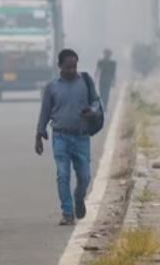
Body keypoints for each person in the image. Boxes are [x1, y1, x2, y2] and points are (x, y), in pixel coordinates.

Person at [35, 49, 102, 225]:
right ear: (60, 66)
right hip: (60, 137)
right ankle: (67, 212)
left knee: (85, 177)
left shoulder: (85, 82)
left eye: (74, 66)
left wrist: (92, 111)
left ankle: (79, 198)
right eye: (68, 67)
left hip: (81, 138)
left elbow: (96, 101)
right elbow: (45, 112)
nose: (72, 70)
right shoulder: (52, 87)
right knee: (63, 175)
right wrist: (39, 133)